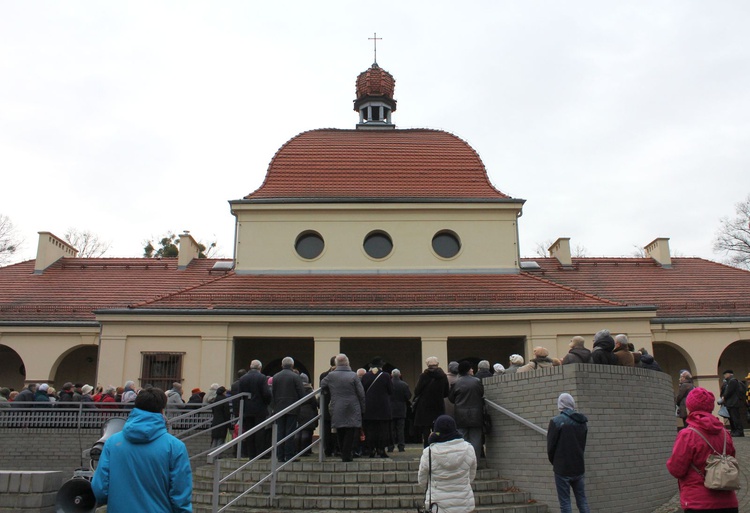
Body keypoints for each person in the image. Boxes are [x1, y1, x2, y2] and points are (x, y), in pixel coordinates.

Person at [91, 387, 192, 512]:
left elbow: (99, 490)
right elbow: (180, 495)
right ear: (162, 410)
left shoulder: (112, 442)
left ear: (135, 407)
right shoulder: (175, 447)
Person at [667, 387, 739, 512]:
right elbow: (731, 457)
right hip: (728, 502)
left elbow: (676, 469)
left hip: (698, 502)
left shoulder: (687, 434)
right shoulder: (725, 433)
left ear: (690, 407)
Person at [417, 415, 477, 513]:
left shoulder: (429, 452)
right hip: (464, 504)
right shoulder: (469, 449)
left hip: (438, 505)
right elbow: (472, 476)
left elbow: (422, 480)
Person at [547, 393, 590, 513]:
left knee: (565, 503)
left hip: (562, 468)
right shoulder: (582, 422)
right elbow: (583, 444)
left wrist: (555, 462)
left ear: (560, 404)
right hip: (578, 467)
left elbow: (551, 447)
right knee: (582, 501)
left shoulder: (556, 422)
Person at [320, 353, 365, 462]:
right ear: (347, 362)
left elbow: (322, 384)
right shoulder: (353, 375)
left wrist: (327, 391)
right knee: (350, 429)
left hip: (337, 405)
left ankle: (343, 452)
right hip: (352, 406)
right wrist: (362, 408)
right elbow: (361, 393)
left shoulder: (331, 376)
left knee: (339, 429)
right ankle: (346, 454)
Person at [448, 360, 485, 461]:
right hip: (476, 414)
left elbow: (451, 398)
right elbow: (481, 394)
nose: (472, 369)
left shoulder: (456, 383)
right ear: (468, 370)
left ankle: (463, 461)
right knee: (476, 440)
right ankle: (474, 461)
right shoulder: (477, 381)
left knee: (462, 439)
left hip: (460, 414)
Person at [272, 356, 305, 462]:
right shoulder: (295, 377)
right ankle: (289, 455)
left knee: (280, 432)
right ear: (292, 365)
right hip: (292, 407)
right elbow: (301, 392)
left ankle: (280, 456)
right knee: (290, 432)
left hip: (279, 408)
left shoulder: (276, 377)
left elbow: (273, 392)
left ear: (282, 365)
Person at [413, 356, 450, 447]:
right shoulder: (443, 376)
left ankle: (427, 447)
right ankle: (437, 446)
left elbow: (417, 391)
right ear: (437, 364)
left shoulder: (423, 376)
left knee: (426, 428)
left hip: (424, 406)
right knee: (437, 427)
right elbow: (446, 393)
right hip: (438, 405)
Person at [238, 360, 272, 459]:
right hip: (259, 408)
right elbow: (266, 393)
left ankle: (251, 454)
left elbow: (240, 394)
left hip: (247, 409)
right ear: (260, 368)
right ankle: (260, 453)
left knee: (249, 431)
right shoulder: (262, 378)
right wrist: (266, 403)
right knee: (260, 432)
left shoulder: (243, 378)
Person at [361, 359, 393, 458]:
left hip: (369, 407)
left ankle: (371, 449)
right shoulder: (386, 375)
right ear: (381, 366)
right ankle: (381, 449)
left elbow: (362, 391)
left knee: (370, 429)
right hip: (383, 407)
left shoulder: (365, 376)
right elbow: (391, 390)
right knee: (383, 430)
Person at [389, 368, 412, 452]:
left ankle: (390, 446)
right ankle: (401, 446)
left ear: (391, 375)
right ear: (400, 375)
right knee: (400, 429)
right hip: (401, 409)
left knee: (391, 429)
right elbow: (408, 396)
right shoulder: (404, 385)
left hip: (390, 409)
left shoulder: (388, 384)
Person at [295, 374, 318, 455]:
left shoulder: (296, 389)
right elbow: (314, 402)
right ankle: (305, 451)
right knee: (306, 431)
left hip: (298, 411)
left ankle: (297, 450)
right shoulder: (309, 389)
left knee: (298, 431)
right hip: (308, 412)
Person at [720, 370, 744, 438]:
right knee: (732, 418)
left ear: (729, 374)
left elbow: (729, 391)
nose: (724, 376)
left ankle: (739, 431)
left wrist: (724, 397)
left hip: (733, 402)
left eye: (725, 374)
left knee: (735, 418)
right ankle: (735, 430)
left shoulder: (732, 381)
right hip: (731, 402)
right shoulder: (729, 381)